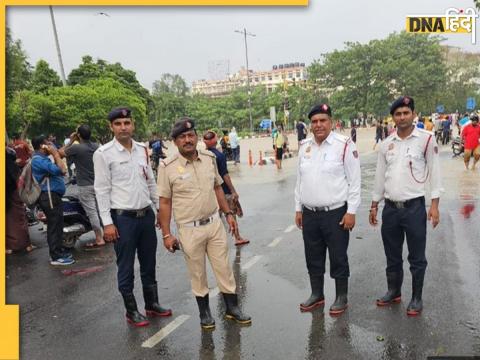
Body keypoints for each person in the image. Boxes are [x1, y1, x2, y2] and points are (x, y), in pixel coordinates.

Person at [157, 117, 251, 330]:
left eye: (191, 135)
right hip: (189, 228)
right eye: (182, 137)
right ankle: (205, 313)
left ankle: (232, 308)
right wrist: (166, 234)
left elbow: (217, 187)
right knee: (197, 272)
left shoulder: (209, 158)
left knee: (224, 268)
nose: (188, 140)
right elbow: (164, 202)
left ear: (196, 137)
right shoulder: (167, 166)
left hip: (214, 223)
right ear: (175, 141)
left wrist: (228, 214)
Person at [93, 107, 172, 327]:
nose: (123, 127)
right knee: (126, 266)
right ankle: (131, 311)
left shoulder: (142, 149)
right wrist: (107, 223)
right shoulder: (103, 154)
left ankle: (152, 304)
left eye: (126, 122)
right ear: (111, 127)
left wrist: (158, 210)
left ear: (132, 125)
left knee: (149, 262)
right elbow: (101, 190)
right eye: (118, 124)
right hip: (122, 219)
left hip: (145, 216)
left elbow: (150, 181)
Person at [369, 96, 442, 317]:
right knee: (392, 255)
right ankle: (394, 291)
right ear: (393, 117)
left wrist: (435, 205)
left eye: (406, 113)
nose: (402, 117)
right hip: (390, 209)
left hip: (414, 208)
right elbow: (380, 177)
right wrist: (374, 204)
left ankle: (416, 297)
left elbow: (435, 174)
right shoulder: (386, 144)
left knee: (416, 257)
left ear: (413, 114)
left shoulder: (426, 140)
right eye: (398, 114)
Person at [294, 103, 361, 316]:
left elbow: (355, 181)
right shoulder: (305, 146)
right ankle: (317, 294)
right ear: (310, 125)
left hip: (336, 213)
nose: (318, 125)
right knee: (313, 255)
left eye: (323, 120)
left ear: (331, 122)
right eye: (314, 121)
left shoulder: (344, 145)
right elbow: (299, 181)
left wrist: (351, 211)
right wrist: (298, 209)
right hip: (310, 213)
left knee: (338, 256)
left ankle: (341, 296)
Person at [59, 125, 105, 249]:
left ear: (79, 135)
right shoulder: (97, 147)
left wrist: (72, 140)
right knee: (102, 210)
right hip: (99, 184)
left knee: (92, 213)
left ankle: (99, 238)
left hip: (85, 185)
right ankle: (106, 233)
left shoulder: (76, 148)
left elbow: (60, 153)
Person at [31, 135, 74, 265]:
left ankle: (60, 250)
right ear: (41, 146)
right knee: (54, 225)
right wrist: (54, 154)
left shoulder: (44, 158)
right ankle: (55, 256)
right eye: (47, 143)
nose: (51, 145)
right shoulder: (38, 160)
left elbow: (61, 152)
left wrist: (71, 141)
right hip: (48, 196)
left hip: (53, 196)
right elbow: (62, 169)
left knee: (58, 223)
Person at [203, 130, 250, 246]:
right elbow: (225, 175)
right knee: (231, 214)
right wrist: (233, 190)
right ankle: (237, 237)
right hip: (223, 190)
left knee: (214, 217)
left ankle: (213, 241)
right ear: (215, 140)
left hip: (209, 192)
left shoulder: (203, 156)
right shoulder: (219, 155)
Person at [6, 146, 34, 254]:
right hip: (13, 192)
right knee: (18, 218)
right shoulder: (10, 159)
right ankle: (24, 244)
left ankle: (11, 246)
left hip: (9, 192)